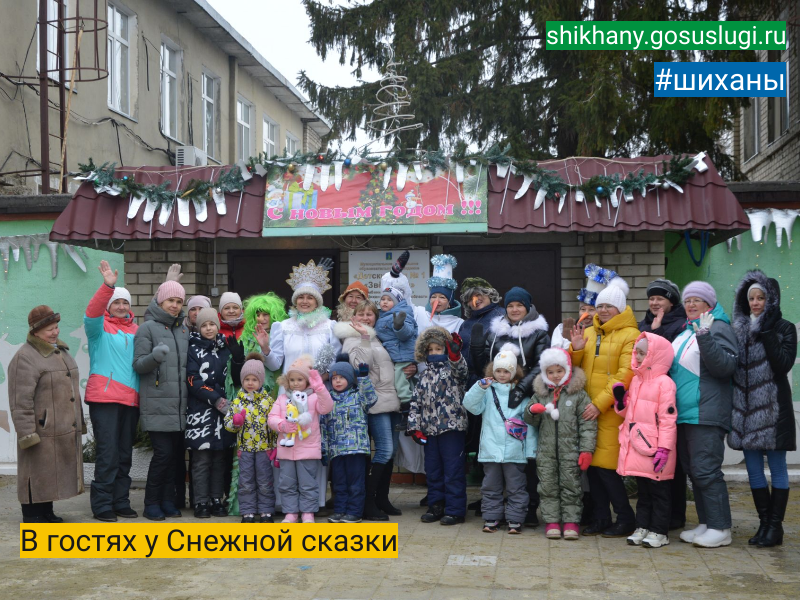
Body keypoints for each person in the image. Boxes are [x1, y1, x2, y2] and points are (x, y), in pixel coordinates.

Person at [728, 270, 797, 548]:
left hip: (772, 411)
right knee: (754, 471)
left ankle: (775, 527)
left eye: (761, 297)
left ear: (772, 299)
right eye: (751, 298)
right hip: (745, 412)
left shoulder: (785, 328)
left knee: (778, 468)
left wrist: (766, 330)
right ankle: (764, 524)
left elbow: (783, 365)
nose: (756, 303)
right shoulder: (738, 330)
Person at [471, 286, 550, 526]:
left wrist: (521, 389)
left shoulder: (538, 333)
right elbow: (485, 364)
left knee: (524, 456)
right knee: (496, 455)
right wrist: (476, 351)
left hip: (526, 397)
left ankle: (527, 509)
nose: (515, 310)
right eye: (511, 306)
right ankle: (496, 510)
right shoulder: (496, 331)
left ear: (528, 308)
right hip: (497, 398)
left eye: (520, 306)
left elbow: (540, 364)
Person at [569, 267, 638, 537]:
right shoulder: (588, 333)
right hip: (587, 411)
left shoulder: (630, 335)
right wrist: (574, 349)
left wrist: (600, 404)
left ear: (620, 308)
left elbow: (626, 374)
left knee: (608, 470)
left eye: (610, 306)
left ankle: (625, 518)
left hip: (609, 412)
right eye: (601, 306)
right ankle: (600, 519)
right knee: (593, 470)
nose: (604, 310)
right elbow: (575, 369)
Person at [670, 281, 737, 548]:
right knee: (694, 471)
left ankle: (721, 528)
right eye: (687, 300)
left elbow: (725, 367)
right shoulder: (686, 331)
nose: (691, 304)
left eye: (697, 300)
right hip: (684, 414)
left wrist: (706, 336)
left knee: (706, 470)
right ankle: (706, 523)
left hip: (706, 413)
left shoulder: (718, 328)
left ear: (709, 304)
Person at [8, 306, 85, 523]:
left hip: (60, 426)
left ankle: (46, 512)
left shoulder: (60, 351)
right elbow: (20, 400)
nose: (55, 332)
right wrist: (26, 432)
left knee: (50, 473)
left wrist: (77, 420)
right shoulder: (25, 357)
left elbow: (72, 391)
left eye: (56, 327)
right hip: (39, 428)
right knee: (36, 471)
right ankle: (32, 515)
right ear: (35, 332)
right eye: (49, 329)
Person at [334, 300, 402, 521]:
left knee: (389, 453)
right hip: (375, 402)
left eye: (370, 314)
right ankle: (368, 502)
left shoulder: (377, 338)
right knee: (384, 450)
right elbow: (359, 366)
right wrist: (363, 336)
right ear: (353, 317)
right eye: (361, 314)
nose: (365, 318)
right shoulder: (353, 338)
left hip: (390, 399)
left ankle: (382, 499)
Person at [83, 261, 139, 522]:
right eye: (116, 302)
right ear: (109, 306)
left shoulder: (138, 331)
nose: (121, 306)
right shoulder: (98, 330)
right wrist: (108, 286)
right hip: (104, 399)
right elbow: (91, 312)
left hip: (131, 400)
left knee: (124, 453)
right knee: (108, 453)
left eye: (125, 303)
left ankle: (120, 501)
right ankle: (103, 504)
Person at [463, 347, 537, 534]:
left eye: (506, 371)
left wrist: (530, 451)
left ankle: (515, 519)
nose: (502, 375)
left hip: (514, 450)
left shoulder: (521, 394)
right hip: (491, 449)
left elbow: (529, 425)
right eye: (498, 371)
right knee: (490, 486)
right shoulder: (488, 391)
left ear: (513, 372)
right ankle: (492, 517)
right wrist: (479, 388)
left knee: (516, 487)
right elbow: (471, 406)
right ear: (492, 371)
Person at [614, 333, 678, 549]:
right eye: (637, 352)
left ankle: (659, 531)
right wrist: (621, 402)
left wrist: (665, 448)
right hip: (638, 446)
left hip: (657, 450)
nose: (637, 356)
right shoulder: (636, 380)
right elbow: (629, 414)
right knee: (643, 491)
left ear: (655, 355)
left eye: (642, 352)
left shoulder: (665, 383)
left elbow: (668, 419)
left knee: (659, 492)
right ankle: (642, 526)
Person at [525, 348, 596, 540]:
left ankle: (572, 522)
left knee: (571, 486)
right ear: (544, 374)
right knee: (547, 486)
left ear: (567, 371)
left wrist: (586, 450)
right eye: (550, 372)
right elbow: (529, 419)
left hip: (570, 451)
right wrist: (532, 410)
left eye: (559, 371)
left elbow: (587, 424)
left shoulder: (578, 395)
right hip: (546, 451)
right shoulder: (541, 393)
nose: (555, 376)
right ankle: (552, 521)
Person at [133, 280, 189, 521]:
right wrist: (154, 357)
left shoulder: (184, 330)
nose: (175, 306)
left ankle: (167, 500)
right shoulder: (147, 329)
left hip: (179, 407)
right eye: (170, 301)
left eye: (178, 302)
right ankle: (151, 502)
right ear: (160, 301)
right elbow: (138, 365)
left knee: (174, 456)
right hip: (157, 404)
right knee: (163, 455)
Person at [638, 278, 688, 531]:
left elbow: (662, 357)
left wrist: (656, 332)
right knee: (647, 460)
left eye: (661, 298)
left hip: (668, 398)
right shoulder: (643, 325)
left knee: (671, 462)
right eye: (652, 298)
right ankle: (651, 517)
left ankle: (675, 515)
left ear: (671, 301)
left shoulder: (681, 324)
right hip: (645, 402)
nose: (655, 302)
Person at [409, 327, 469, 525]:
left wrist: (454, 355)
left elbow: (461, 370)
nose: (434, 353)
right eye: (431, 350)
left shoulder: (453, 370)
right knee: (433, 470)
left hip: (452, 427)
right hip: (429, 429)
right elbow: (415, 402)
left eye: (438, 349)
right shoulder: (423, 375)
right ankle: (436, 505)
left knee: (453, 470)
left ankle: (455, 510)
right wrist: (414, 427)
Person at [268, 356, 334, 523]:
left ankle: (307, 512)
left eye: (300, 379)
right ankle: (290, 513)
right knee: (286, 483)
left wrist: (320, 387)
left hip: (308, 449)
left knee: (307, 484)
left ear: (307, 381)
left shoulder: (313, 398)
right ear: (287, 381)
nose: (296, 383)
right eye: (292, 380)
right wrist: (282, 425)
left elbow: (327, 407)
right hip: (287, 450)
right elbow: (272, 418)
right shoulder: (282, 399)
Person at [186, 308, 236, 518]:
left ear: (218, 326)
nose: (209, 328)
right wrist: (215, 399)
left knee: (219, 459)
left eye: (212, 324)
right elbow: (192, 380)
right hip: (201, 412)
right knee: (201, 460)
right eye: (204, 325)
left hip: (223, 414)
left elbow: (234, 375)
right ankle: (201, 501)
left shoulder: (225, 347)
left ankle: (217, 499)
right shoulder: (192, 348)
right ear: (199, 327)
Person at [322, 353, 378, 523]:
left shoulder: (358, 396)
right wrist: (324, 448)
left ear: (350, 379)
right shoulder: (329, 400)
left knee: (355, 482)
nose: (337, 381)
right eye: (334, 378)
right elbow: (323, 425)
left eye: (341, 378)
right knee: (339, 483)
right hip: (337, 449)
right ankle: (340, 510)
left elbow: (371, 398)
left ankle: (354, 512)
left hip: (356, 448)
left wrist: (363, 378)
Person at [225, 354, 278, 523]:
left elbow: (275, 423)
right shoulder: (237, 401)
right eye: (246, 379)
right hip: (245, 449)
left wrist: (276, 446)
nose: (250, 383)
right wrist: (235, 422)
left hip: (265, 449)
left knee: (264, 480)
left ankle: (266, 511)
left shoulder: (268, 401)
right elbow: (227, 423)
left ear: (261, 381)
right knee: (246, 481)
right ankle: (247, 511)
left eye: (254, 379)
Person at [375, 287, 418, 429]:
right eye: (383, 299)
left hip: (403, 356)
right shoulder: (382, 316)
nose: (385, 302)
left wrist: (399, 326)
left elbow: (407, 334)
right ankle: (414, 417)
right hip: (396, 356)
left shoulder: (402, 314)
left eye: (389, 300)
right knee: (408, 385)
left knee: (401, 384)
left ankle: (407, 414)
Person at [240, 292, 289, 396]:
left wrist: (265, 347)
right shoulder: (246, 337)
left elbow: (275, 366)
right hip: (250, 390)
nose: (261, 318)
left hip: (274, 389)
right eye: (257, 315)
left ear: (274, 315)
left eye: (265, 314)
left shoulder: (280, 336)